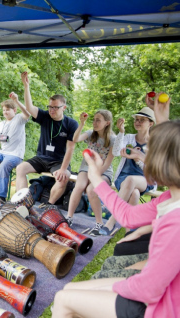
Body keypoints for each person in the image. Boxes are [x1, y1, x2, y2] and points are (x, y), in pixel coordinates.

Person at [52, 120, 180, 318]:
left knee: (63, 300)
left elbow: (148, 289)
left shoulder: (175, 221)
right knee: (68, 289)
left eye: (150, 153)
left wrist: (109, 287)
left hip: (159, 309)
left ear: (165, 160)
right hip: (158, 295)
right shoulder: (169, 199)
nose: (145, 159)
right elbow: (128, 216)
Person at [15, 72, 78, 206]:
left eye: (55, 107)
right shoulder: (45, 117)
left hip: (58, 161)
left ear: (64, 108)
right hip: (41, 158)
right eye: (50, 106)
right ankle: (23, 203)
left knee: (63, 178)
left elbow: (70, 149)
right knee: (20, 169)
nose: (52, 110)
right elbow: (29, 108)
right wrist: (26, 86)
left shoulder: (71, 124)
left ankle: (47, 206)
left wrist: (63, 169)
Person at [100, 107, 155, 235]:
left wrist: (137, 158)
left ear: (150, 123)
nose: (138, 122)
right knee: (134, 194)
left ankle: (111, 222)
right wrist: (121, 132)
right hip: (123, 178)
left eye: (142, 120)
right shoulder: (129, 137)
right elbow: (115, 152)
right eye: (136, 119)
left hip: (145, 179)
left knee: (132, 180)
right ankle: (129, 231)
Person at [65, 110, 115, 236]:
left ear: (107, 123)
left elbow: (107, 163)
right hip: (86, 168)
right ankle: (69, 218)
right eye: (94, 119)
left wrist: (95, 176)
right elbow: (75, 139)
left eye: (98, 120)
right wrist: (82, 123)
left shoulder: (113, 139)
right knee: (79, 186)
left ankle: (99, 223)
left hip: (103, 171)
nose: (95, 122)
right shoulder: (90, 133)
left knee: (91, 190)